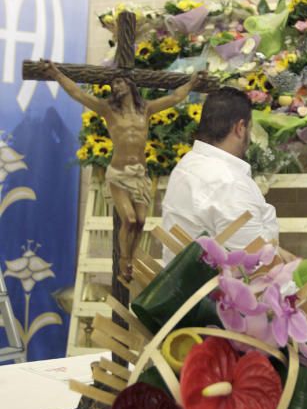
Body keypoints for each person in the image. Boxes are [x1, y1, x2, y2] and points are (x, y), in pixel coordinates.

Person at [39, 60, 200, 280]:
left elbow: (174, 98)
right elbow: (77, 93)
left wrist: (192, 83)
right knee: (130, 219)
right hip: (119, 173)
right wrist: (56, 73)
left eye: (120, 82)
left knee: (142, 221)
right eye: (113, 84)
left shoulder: (146, 109)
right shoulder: (108, 110)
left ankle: (131, 260)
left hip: (140, 173)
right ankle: (124, 260)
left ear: (130, 85)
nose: (116, 87)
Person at [162, 87, 279, 262]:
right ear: (240, 128)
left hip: (186, 284)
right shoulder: (229, 181)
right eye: (250, 128)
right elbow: (257, 263)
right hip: (223, 286)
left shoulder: (187, 164)